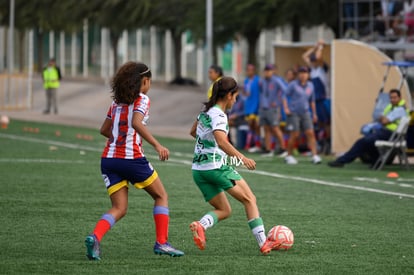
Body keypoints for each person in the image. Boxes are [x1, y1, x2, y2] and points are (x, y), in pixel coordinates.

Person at [84, 62, 184, 260]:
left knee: (119, 208)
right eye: (149, 82)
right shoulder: (142, 99)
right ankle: (162, 243)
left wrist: (118, 140)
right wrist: (157, 145)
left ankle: (95, 237)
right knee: (161, 196)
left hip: (109, 160)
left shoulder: (115, 103)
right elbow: (136, 122)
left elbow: (104, 130)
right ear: (144, 81)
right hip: (132, 159)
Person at [189, 76, 281, 255]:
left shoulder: (205, 112)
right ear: (229, 95)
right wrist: (243, 159)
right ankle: (264, 243)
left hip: (199, 171)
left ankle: (201, 225)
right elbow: (222, 142)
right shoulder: (220, 116)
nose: (236, 100)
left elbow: (194, 132)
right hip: (215, 167)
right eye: (236, 96)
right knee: (250, 200)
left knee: (224, 210)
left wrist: (210, 145)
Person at [328, 89, 408, 168]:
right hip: (386, 132)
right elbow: (380, 117)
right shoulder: (391, 107)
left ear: (400, 97)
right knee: (368, 142)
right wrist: (383, 119)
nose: (392, 100)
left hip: (391, 134)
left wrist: (383, 119)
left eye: (395, 97)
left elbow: (383, 121)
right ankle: (377, 162)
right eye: (391, 98)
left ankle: (341, 161)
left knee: (362, 142)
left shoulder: (399, 109)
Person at [282, 66, 322, 165]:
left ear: (308, 75)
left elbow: (312, 101)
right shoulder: (293, 85)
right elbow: (284, 96)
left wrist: (314, 114)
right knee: (295, 134)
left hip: (305, 112)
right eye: (301, 73)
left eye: (305, 73)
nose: (303, 75)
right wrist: (286, 108)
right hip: (294, 112)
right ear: (298, 74)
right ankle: (289, 155)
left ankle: (314, 155)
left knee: (310, 133)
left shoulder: (311, 85)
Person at [302, 40, 331, 155]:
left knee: (326, 122)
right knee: (318, 123)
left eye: (314, 61)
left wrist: (320, 47)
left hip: (324, 99)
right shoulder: (313, 71)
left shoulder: (323, 70)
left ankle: (328, 142)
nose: (313, 62)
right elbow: (304, 56)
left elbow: (319, 57)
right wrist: (314, 47)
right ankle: (321, 142)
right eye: (312, 61)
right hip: (316, 100)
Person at [258, 64, 286, 157]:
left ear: (272, 71)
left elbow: (285, 91)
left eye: (269, 71)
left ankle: (283, 148)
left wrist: (277, 102)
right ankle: (268, 149)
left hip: (272, 108)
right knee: (266, 129)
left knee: (275, 128)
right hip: (263, 108)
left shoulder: (277, 80)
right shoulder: (262, 81)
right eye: (266, 71)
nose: (267, 72)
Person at [242, 64, 261, 152]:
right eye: (248, 70)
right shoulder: (246, 81)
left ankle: (257, 144)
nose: (249, 72)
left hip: (256, 106)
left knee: (256, 125)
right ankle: (250, 144)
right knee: (250, 125)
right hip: (249, 106)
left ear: (254, 71)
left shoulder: (258, 80)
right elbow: (245, 92)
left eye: (251, 70)